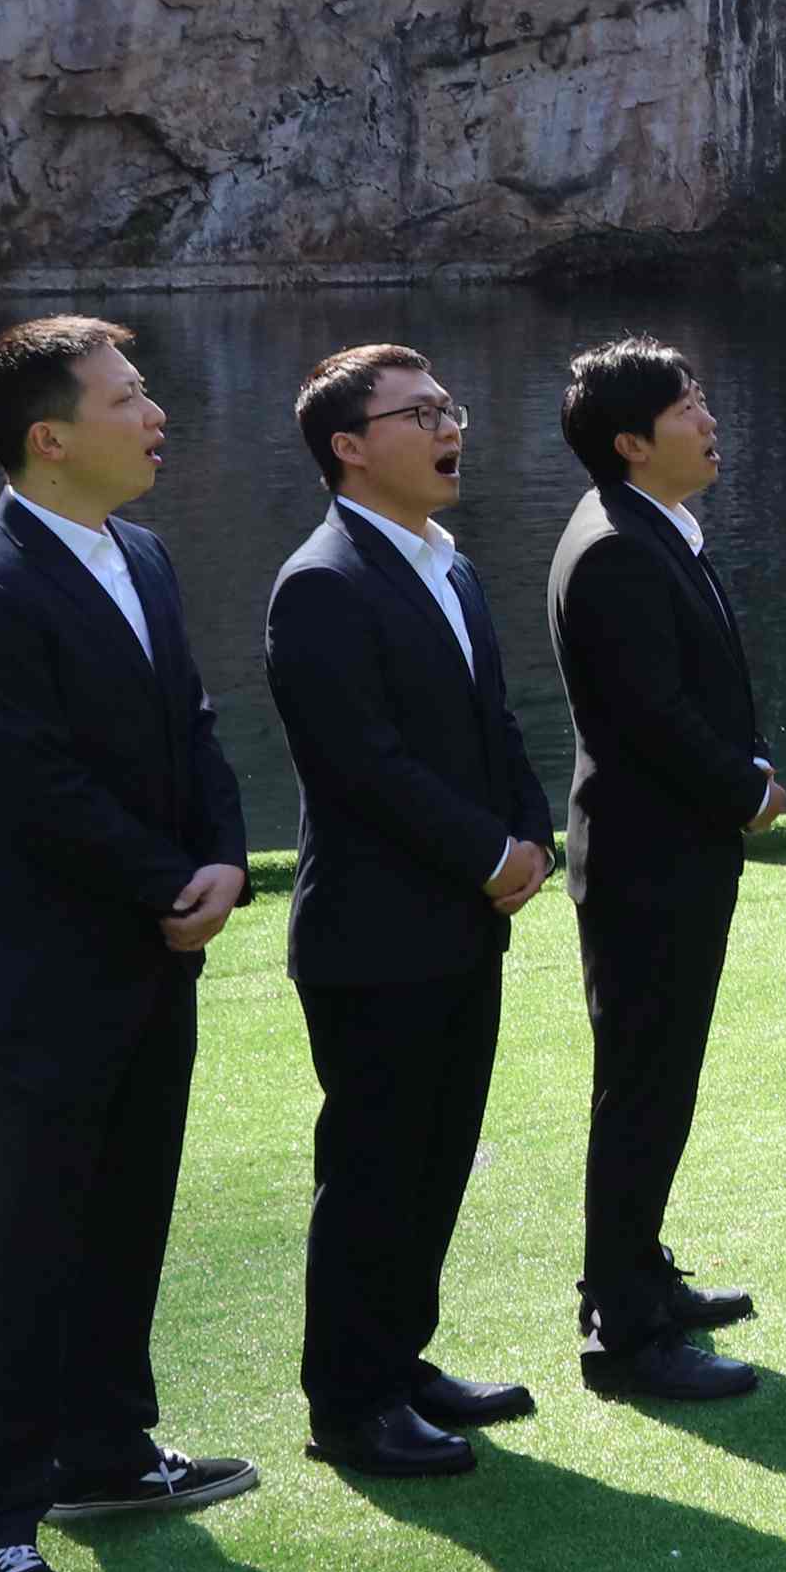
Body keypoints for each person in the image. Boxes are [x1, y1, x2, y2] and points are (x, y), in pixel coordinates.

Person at [0, 316, 257, 1572]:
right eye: (128, 397)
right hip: (36, 974)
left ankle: (105, 1457)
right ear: (49, 436)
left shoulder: (147, 555)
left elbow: (197, 725)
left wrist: (222, 854)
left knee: (125, 1217)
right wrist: (167, 881)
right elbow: (30, 790)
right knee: (21, 1243)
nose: (156, 411)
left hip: (148, 955)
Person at [262, 343, 562, 1478]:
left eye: (451, 403)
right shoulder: (323, 579)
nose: (452, 427)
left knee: (436, 1155)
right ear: (349, 445)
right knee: (377, 1166)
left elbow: (496, 721)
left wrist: (530, 830)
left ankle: (399, 1358)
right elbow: (362, 764)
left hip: (458, 922)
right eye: (421, 411)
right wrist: (487, 849)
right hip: (372, 936)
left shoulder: (450, 561)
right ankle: (348, 1402)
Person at [541, 339, 779, 1403]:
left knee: (656, 1081)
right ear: (632, 441)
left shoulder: (655, 528)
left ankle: (636, 1275)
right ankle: (623, 1331)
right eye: (690, 404)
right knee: (640, 1086)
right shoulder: (616, 547)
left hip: (673, 854)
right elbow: (654, 718)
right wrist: (745, 787)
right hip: (648, 861)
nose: (709, 417)